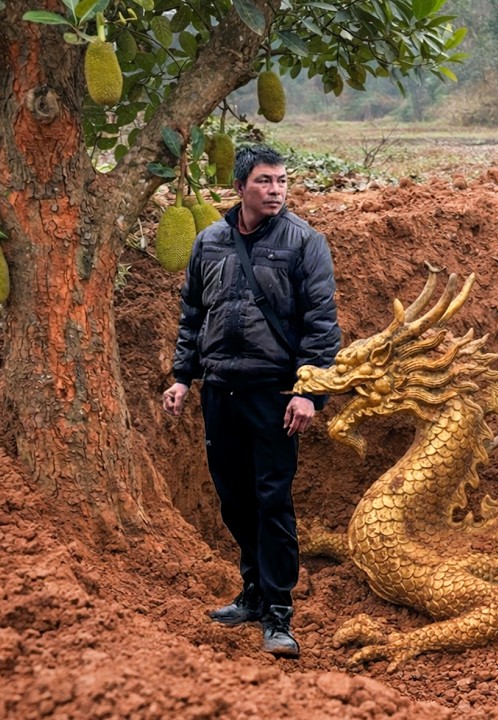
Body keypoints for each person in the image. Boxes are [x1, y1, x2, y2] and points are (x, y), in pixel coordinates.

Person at [162, 144, 341, 659]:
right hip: (221, 390)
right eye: (265, 181)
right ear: (240, 187)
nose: (276, 190)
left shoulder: (305, 243)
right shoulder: (208, 242)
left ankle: (279, 610)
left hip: (274, 394)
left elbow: (322, 326)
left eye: (281, 180)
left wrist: (309, 392)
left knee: (272, 501)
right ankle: (253, 592)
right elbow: (193, 315)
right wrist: (182, 377)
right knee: (234, 498)